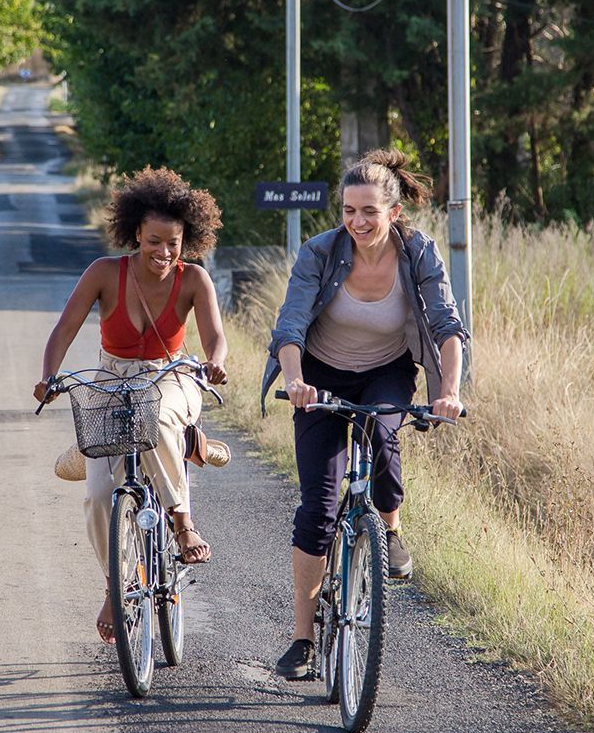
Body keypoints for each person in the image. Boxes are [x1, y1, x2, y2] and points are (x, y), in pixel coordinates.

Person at [262, 148, 468, 680]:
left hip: (386, 369)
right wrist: (295, 380)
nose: (357, 222)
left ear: (393, 213)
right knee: (319, 508)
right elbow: (290, 325)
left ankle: (390, 529)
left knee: (384, 431)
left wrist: (448, 391)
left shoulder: (418, 252)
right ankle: (303, 639)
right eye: (349, 211)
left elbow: (448, 326)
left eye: (369, 212)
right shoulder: (320, 252)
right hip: (319, 374)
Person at [35, 167, 229, 643]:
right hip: (112, 378)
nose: (164, 253)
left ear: (187, 240)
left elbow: (215, 338)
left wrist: (215, 363)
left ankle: (182, 523)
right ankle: (115, 586)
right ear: (135, 234)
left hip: (172, 376)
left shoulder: (194, 279)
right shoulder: (104, 273)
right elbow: (64, 329)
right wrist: (49, 376)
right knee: (99, 494)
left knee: (157, 418)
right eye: (154, 241)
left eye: (173, 243)